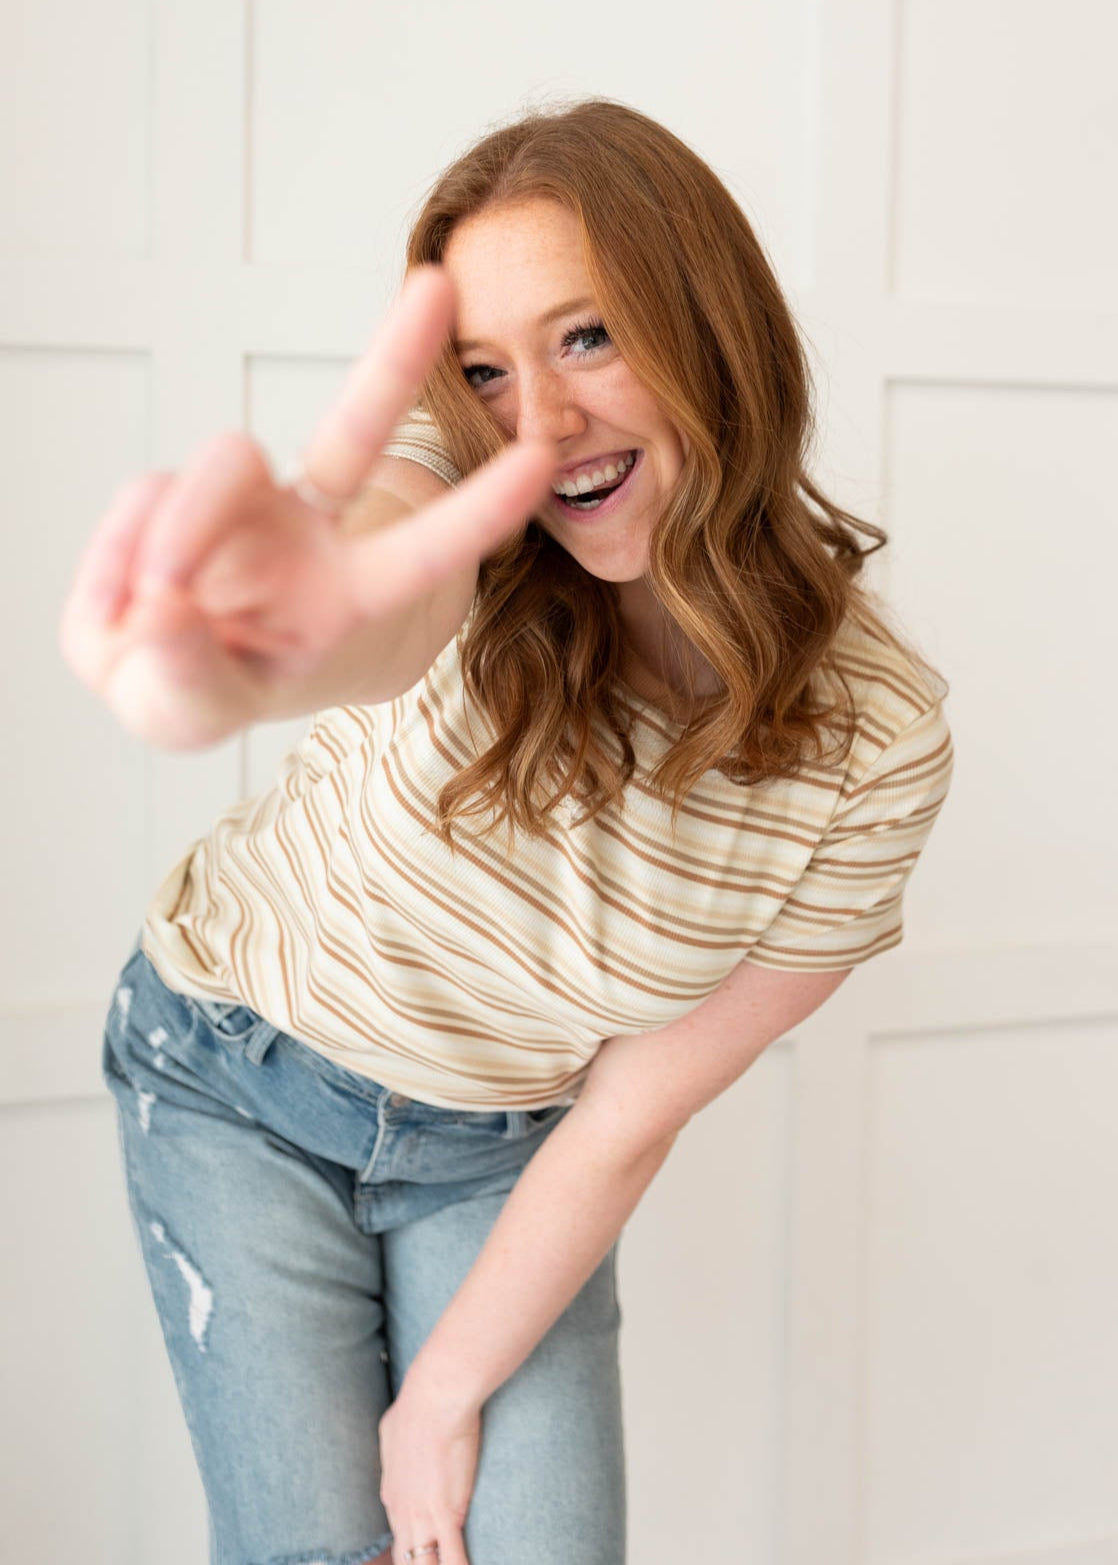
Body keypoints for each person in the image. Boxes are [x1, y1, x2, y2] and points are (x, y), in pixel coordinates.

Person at [61, 98, 954, 1565]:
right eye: (484, 369)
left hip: (507, 1144)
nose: (537, 421)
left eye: (587, 337)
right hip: (233, 1069)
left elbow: (629, 1108)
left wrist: (440, 1401)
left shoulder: (878, 741)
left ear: (707, 329)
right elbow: (380, 589)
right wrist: (265, 643)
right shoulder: (459, 502)